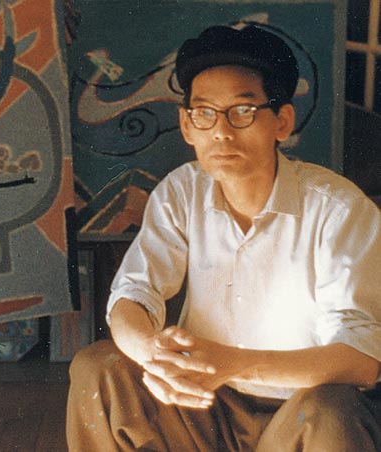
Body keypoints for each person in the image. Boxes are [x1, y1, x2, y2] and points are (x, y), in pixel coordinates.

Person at [66, 25, 381, 452]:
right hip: (201, 406)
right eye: (204, 113)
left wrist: (236, 364)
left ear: (282, 122)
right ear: (187, 125)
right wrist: (151, 352)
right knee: (98, 367)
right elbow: (133, 295)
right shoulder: (182, 192)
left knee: (332, 410)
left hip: (298, 412)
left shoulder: (339, 210)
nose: (221, 131)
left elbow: (362, 360)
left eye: (243, 111)